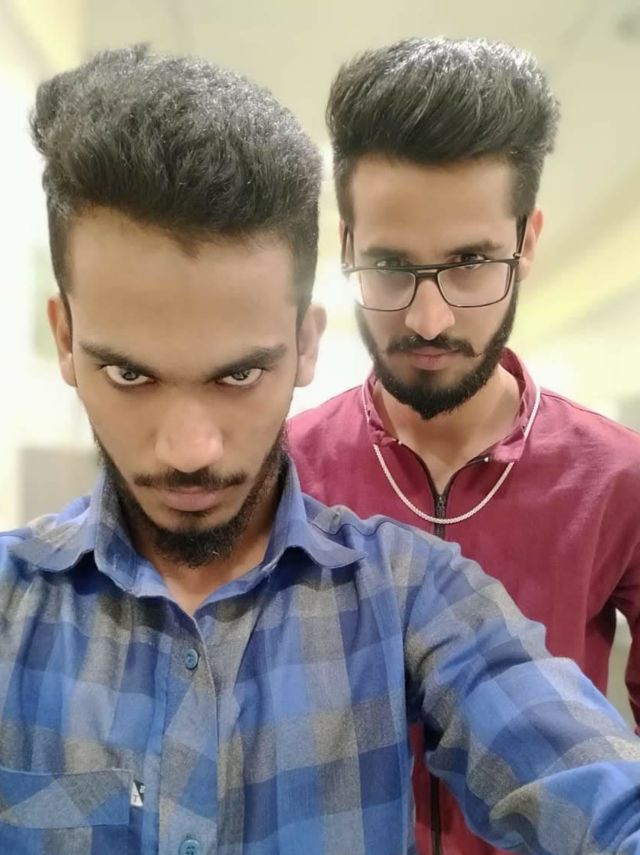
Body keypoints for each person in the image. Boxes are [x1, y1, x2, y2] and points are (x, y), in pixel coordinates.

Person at [3, 45, 640, 855]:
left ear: (306, 344)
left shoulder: (414, 586)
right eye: (130, 373)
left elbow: (599, 788)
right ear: (65, 339)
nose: (191, 450)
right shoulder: (12, 610)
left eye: (240, 374)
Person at [287, 36, 640, 855]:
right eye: (389, 265)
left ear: (529, 242)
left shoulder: (618, 478)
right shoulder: (284, 473)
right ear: (347, 246)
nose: (429, 318)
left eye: (472, 262)